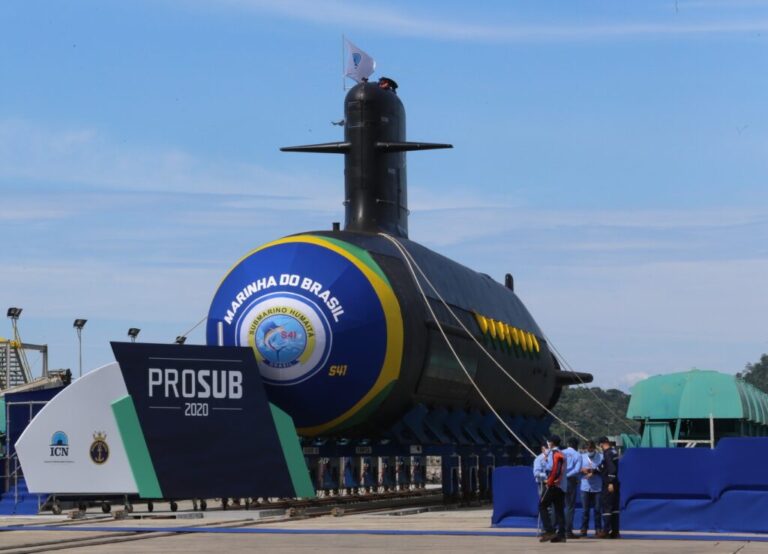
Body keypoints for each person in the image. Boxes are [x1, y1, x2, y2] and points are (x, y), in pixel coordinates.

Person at [539, 435, 567, 543]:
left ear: (551, 443)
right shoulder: (562, 453)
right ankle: (561, 535)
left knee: (542, 505)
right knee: (559, 510)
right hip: (562, 486)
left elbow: (554, 469)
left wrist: (549, 481)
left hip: (553, 485)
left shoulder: (554, 454)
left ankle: (549, 530)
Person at [596, 436, 620, 539]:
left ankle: (605, 531)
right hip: (616, 483)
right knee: (614, 508)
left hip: (609, 484)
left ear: (602, 444)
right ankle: (615, 531)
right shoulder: (614, 452)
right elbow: (605, 467)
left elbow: (611, 468)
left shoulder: (607, 453)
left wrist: (610, 482)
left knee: (606, 506)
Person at [579, 440, 603, 537]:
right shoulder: (582, 457)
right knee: (585, 510)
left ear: (594, 448)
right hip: (585, 487)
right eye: (588, 449)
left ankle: (598, 529)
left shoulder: (600, 457)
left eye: (591, 449)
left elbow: (603, 469)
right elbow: (577, 468)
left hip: (597, 487)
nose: (589, 451)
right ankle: (584, 529)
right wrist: (582, 470)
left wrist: (593, 472)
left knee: (597, 509)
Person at [562, 437, 583, 538]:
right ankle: (568, 531)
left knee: (557, 506)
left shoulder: (561, 453)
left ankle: (554, 529)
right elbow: (577, 469)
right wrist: (567, 475)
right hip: (570, 481)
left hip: (559, 481)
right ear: (576, 445)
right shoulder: (578, 455)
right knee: (569, 507)